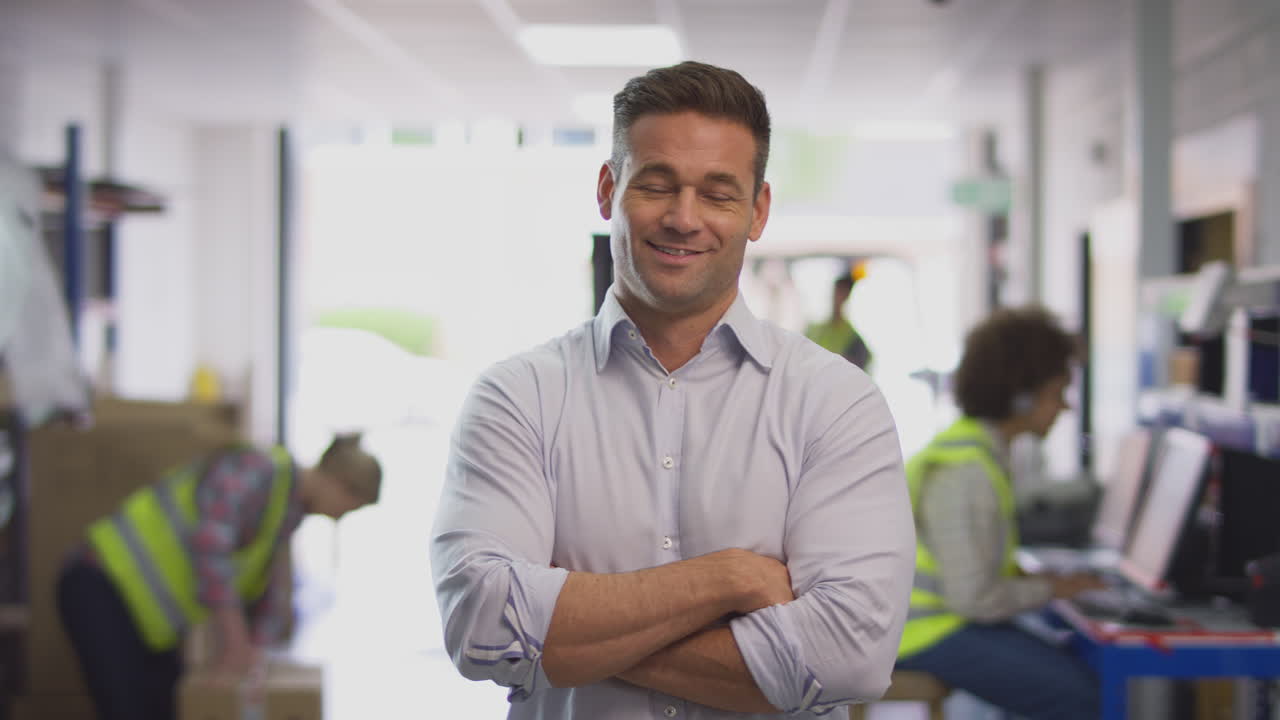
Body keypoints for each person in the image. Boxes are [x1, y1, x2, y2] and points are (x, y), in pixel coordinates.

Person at [431, 61, 915, 719]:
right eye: (657, 185)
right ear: (608, 190)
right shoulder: (518, 398)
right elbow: (481, 625)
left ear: (757, 210)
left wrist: (570, 630)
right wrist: (728, 579)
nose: (684, 219)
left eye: (718, 194)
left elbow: (848, 657)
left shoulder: (836, 403)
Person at [57, 433, 381, 720]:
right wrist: (235, 641)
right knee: (128, 711)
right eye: (350, 507)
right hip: (102, 581)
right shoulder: (258, 469)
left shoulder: (285, 514)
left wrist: (255, 652)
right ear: (340, 483)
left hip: (145, 618)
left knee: (165, 709)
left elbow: (269, 592)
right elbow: (211, 547)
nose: (340, 516)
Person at [894, 306, 1104, 719]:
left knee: (1051, 666)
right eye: (1058, 392)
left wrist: (1041, 582)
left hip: (934, 622)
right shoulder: (965, 471)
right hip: (921, 631)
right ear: (1022, 397)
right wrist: (1049, 590)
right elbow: (974, 599)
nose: (1065, 407)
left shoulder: (976, 451)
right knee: (1079, 694)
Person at [804, 265, 871, 370]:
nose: (836, 297)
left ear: (847, 296)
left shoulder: (854, 339)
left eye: (841, 293)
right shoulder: (814, 329)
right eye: (836, 292)